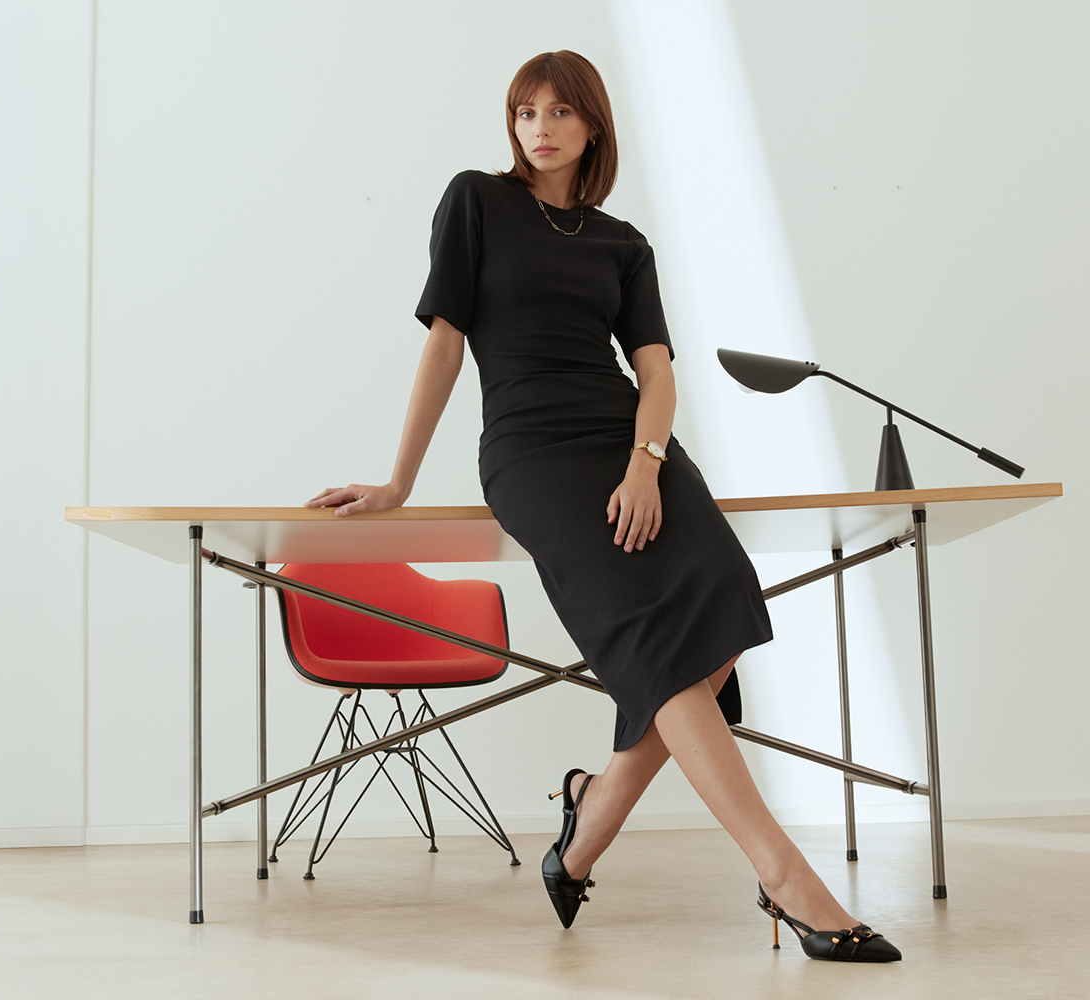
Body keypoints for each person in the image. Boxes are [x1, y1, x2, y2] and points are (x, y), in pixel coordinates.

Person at [303, 50, 900, 963]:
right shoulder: (477, 201)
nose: (537, 126)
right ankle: (786, 877)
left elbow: (657, 372)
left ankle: (589, 819)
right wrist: (398, 484)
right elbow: (444, 349)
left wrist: (646, 464)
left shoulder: (625, 244)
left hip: (629, 445)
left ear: (592, 126)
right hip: (533, 454)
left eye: (557, 111)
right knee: (659, 650)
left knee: (725, 610)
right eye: (523, 111)